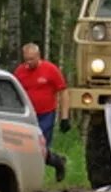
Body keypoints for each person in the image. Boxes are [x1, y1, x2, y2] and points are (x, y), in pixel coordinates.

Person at [13, 43, 70, 181]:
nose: (29, 62)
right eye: (26, 59)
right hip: (27, 115)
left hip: (46, 114)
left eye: (31, 59)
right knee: (26, 148)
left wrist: (65, 117)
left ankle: (36, 180)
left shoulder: (50, 70)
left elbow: (63, 92)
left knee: (39, 147)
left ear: (38, 56)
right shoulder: (20, 72)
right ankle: (58, 161)